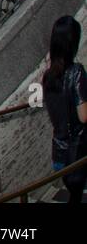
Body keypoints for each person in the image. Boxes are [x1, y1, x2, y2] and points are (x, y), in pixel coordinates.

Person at [43, 15, 87, 204]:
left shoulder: (48, 76)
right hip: (78, 154)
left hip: (60, 155)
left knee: (75, 196)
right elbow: (83, 116)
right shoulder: (76, 72)